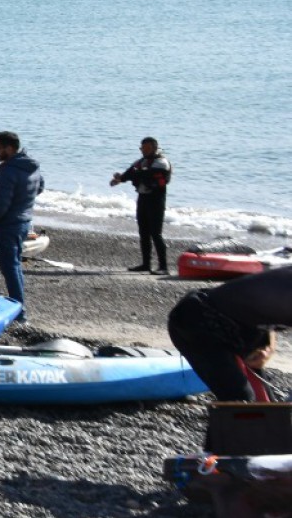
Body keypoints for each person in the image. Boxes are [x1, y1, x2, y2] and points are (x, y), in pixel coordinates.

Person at [166, 270, 290, 402]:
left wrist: (268, 346)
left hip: (242, 326)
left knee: (265, 402)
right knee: (241, 400)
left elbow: (273, 308)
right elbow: (271, 292)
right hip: (195, 319)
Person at [0, 130, 44, 308]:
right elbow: (39, 186)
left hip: (7, 226)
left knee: (10, 269)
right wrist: (24, 199)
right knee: (15, 267)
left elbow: (0, 206)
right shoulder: (31, 166)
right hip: (24, 222)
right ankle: (19, 306)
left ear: (9, 148)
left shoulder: (7, 172)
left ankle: (19, 310)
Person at [113, 137, 172, 273]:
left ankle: (163, 267)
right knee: (143, 232)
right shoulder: (141, 162)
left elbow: (146, 175)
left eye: (146, 148)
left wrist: (136, 175)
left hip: (156, 200)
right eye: (142, 148)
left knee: (156, 233)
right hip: (143, 198)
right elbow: (130, 173)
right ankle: (146, 264)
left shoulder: (162, 163)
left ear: (154, 148)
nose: (143, 151)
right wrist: (119, 179)